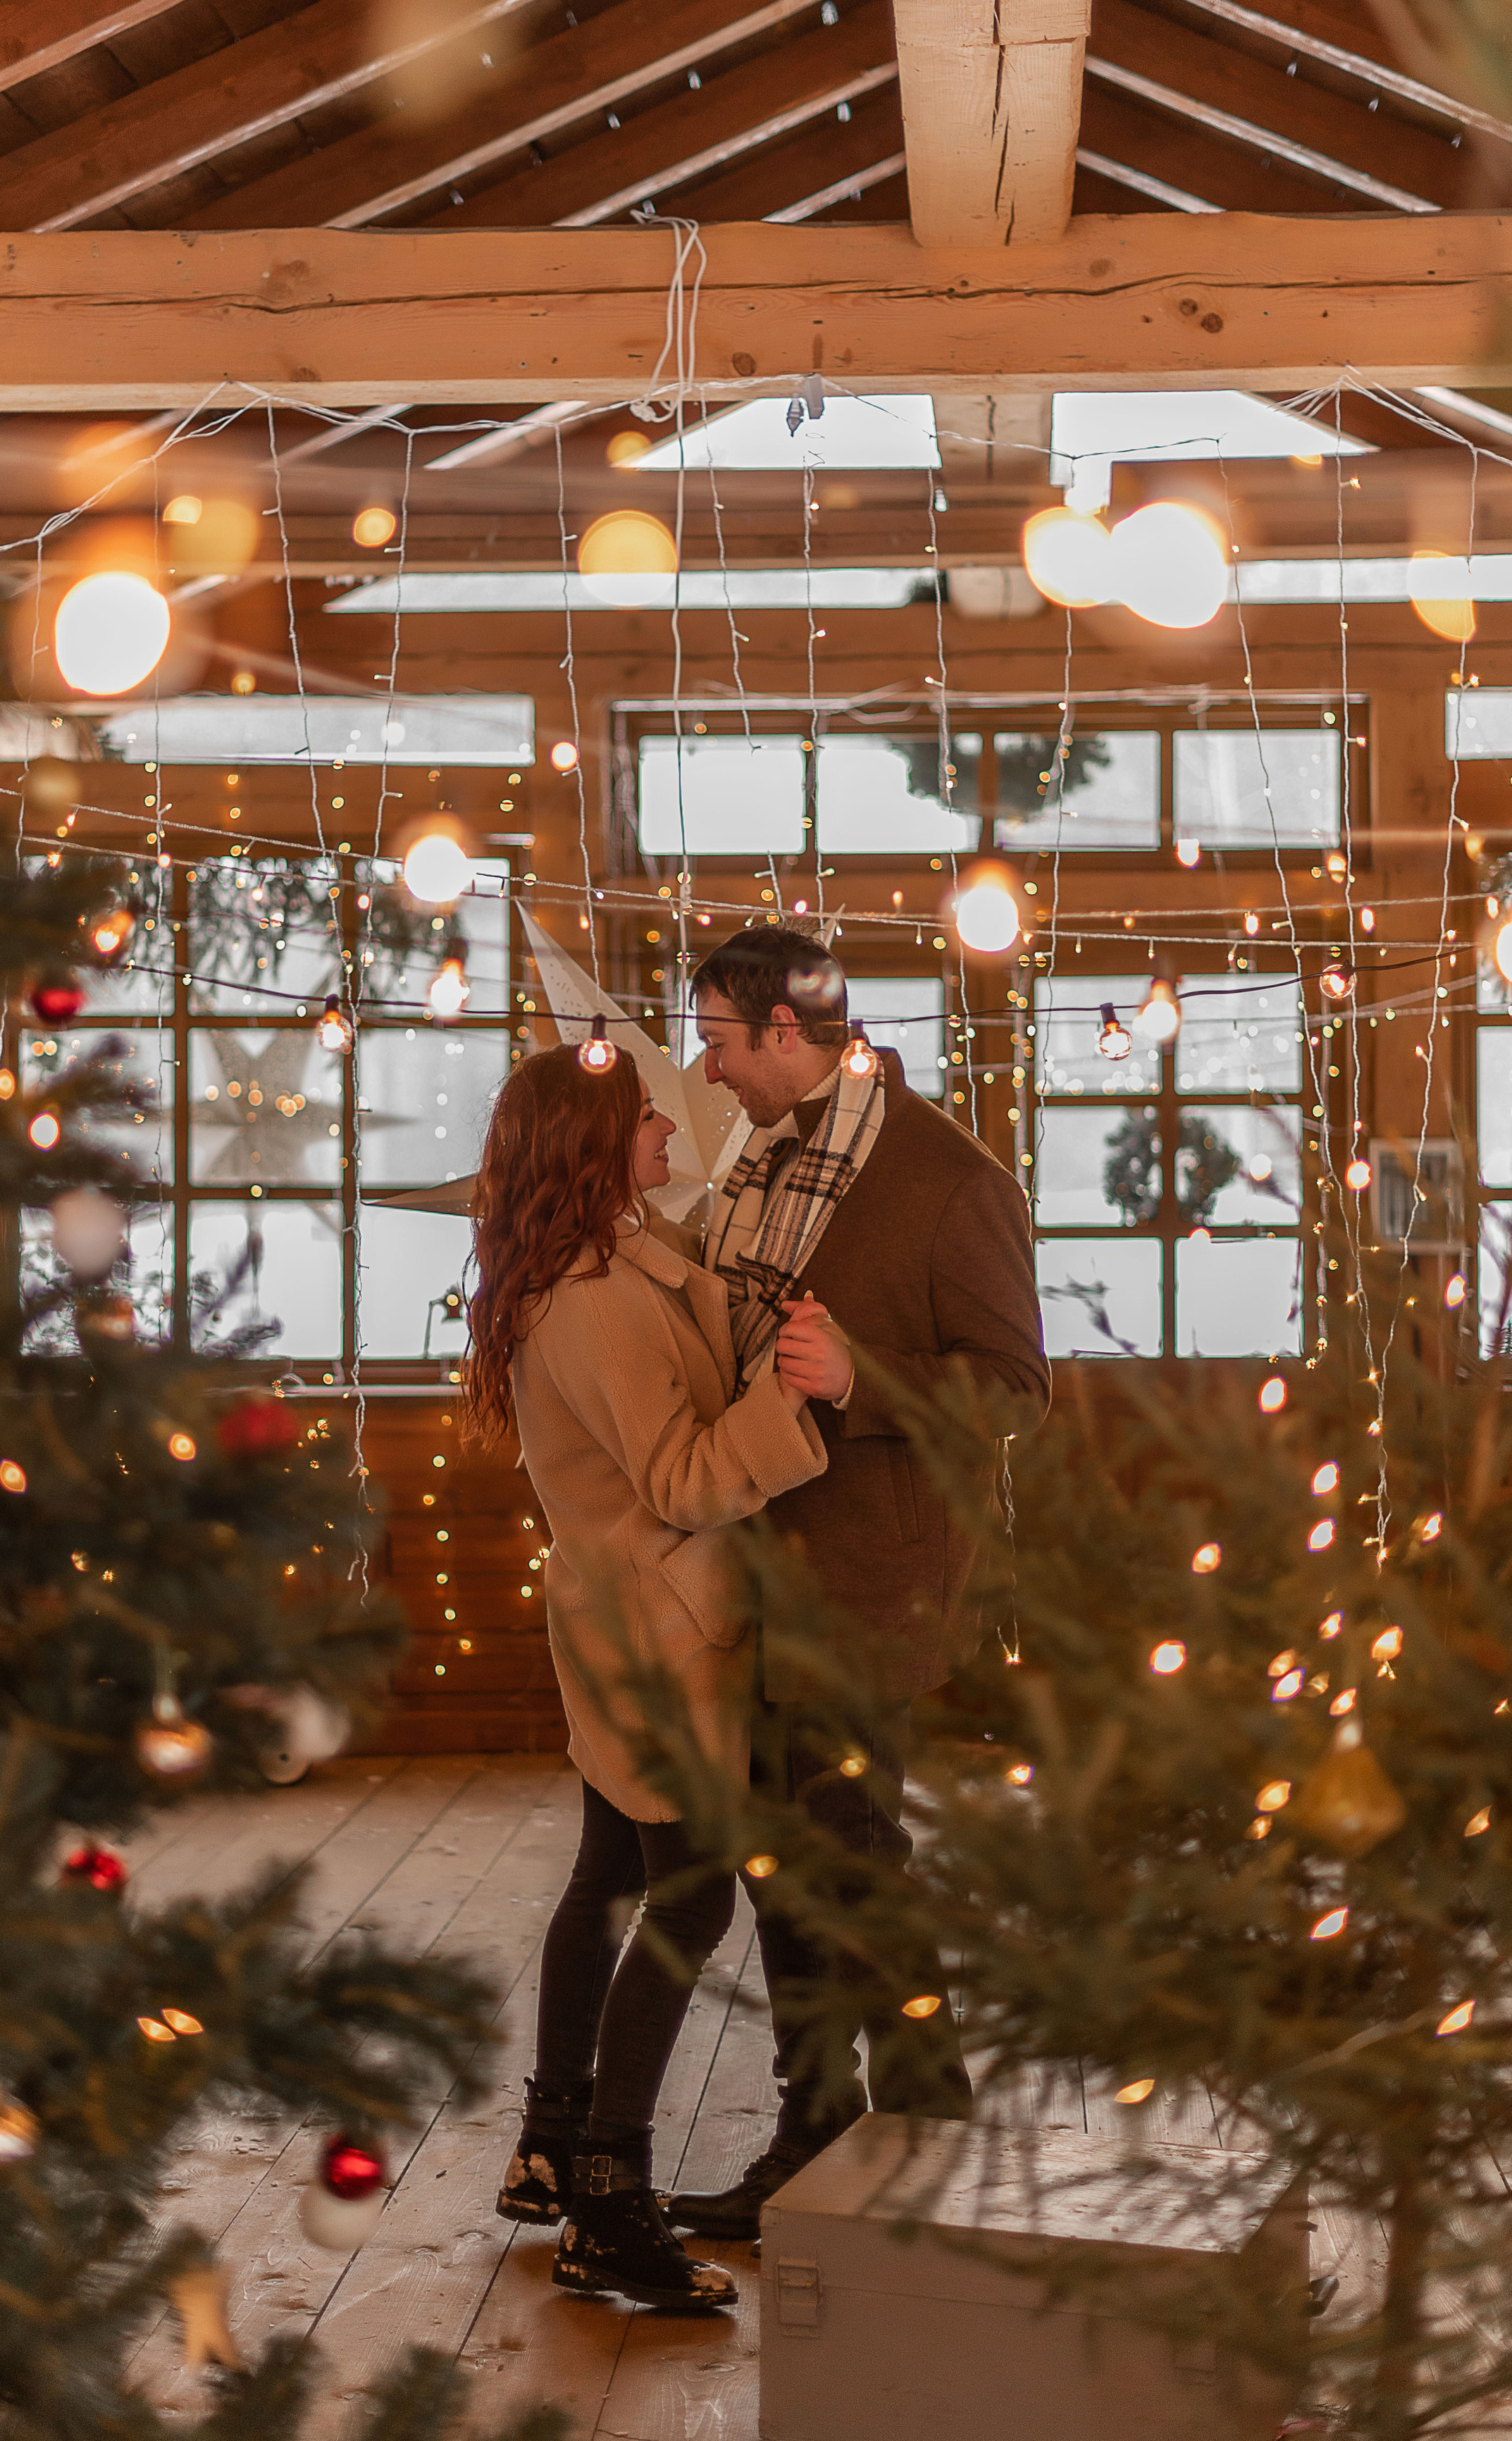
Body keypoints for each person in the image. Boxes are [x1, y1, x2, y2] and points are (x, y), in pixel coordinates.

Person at [663, 922, 1051, 2244]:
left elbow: (1015, 1390)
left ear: (784, 1035)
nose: (704, 1072)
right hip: (745, 1570)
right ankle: (824, 2127)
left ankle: (927, 2131)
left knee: (855, 1859)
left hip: (869, 1582)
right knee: (792, 1865)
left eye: (716, 1040)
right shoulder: (756, 1159)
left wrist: (861, 1381)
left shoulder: (947, 1177)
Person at [462, 1038, 832, 2313]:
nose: (670, 1137)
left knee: (609, 1872)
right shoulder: (597, 1298)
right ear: (592, 1146)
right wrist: (796, 1409)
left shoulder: (585, 1270)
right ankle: (612, 2196)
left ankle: (556, 2137)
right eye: (645, 1124)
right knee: (691, 1899)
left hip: (618, 1621)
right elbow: (679, 1478)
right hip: (667, 1630)